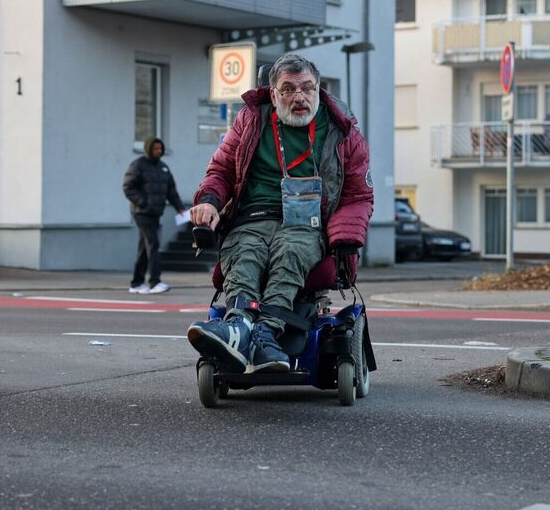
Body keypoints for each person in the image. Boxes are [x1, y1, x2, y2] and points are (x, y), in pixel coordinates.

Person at [186, 53, 374, 374]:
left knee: (290, 252)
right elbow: (221, 171)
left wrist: (345, 236)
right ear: (273, 94)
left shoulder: (343, 133)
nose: (299, 97)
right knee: (245, 251)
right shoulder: (250, 120)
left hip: (308, 224)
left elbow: (358, 195)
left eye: (306, 88)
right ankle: (239, 325)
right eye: (287, 89)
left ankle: (266, 332)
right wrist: (209, 201)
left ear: (318, 89)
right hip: (253, 217)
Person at [123, 136, 185, 294]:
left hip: (156, 213)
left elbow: (171, 191)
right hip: (142, 213)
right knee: (153, 244)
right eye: (155, 148)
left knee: (144, 248)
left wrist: (180, 208)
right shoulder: (138, 165)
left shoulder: (164, 167)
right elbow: (128, 186)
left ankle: (136, 283)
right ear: (149, 149)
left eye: (160, 149)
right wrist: (143, 202)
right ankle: (154, 282)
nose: (159, 151)